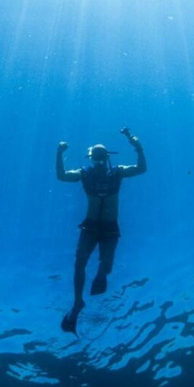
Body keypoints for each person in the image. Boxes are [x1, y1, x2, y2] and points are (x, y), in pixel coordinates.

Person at [56, 127, 147, 335]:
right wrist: (59, 153)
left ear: (106, 158)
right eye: (95, 159)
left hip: (110, 227)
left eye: (100, 159)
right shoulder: (84, 173)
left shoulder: (118, 172)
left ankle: (100, 274)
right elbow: (62, 176)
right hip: (90, 226)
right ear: (92, 159)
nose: (97, 163)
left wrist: (137, 146)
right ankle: (78, 302)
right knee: (79, 262)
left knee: (106, 268)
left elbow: (141, 168)